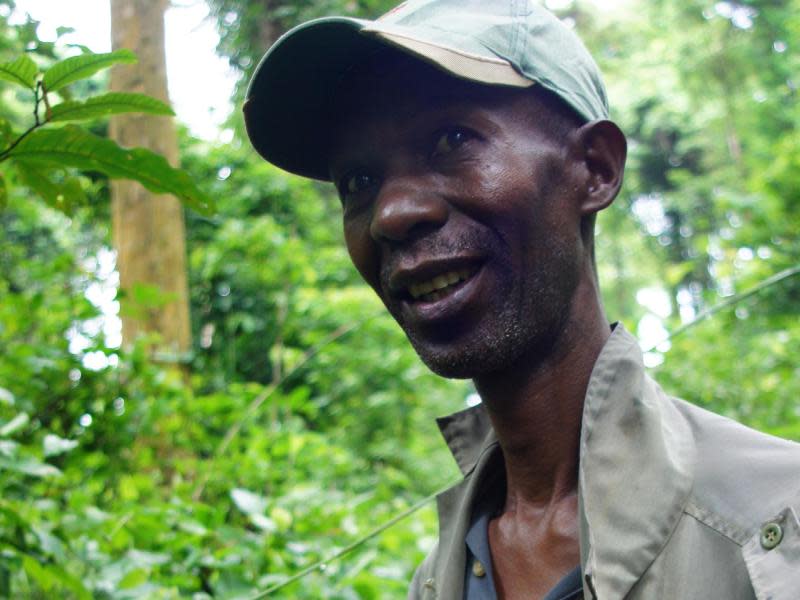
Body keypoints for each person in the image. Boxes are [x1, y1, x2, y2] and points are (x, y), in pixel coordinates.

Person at [242, 1, 800, 598]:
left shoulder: (774, 529)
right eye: (358, 182)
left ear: (594, 168)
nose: (392, 214)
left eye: (452, 139)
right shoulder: (436, 582)